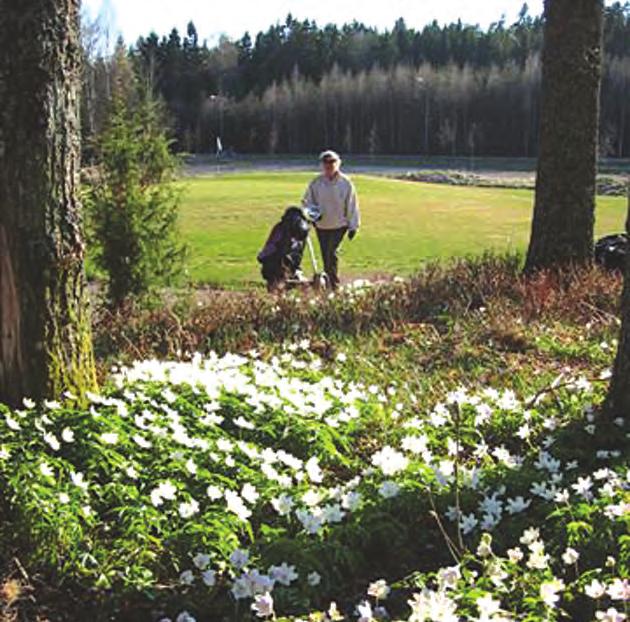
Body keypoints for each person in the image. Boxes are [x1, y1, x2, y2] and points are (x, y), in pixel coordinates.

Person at [302, 150, 360, 288]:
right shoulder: (316, 183)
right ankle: (329, 283)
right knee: (325, 256)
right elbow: (307, 202)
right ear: (322, 165)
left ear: (337, 163)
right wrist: (312, 215)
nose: (329, 165)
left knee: (331, 254)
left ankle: (333, 285)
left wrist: (353, 226)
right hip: (322, 225)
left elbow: (352, 205)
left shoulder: (346, 183)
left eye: (332, 162)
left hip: (339, 225)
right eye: (326, 162)